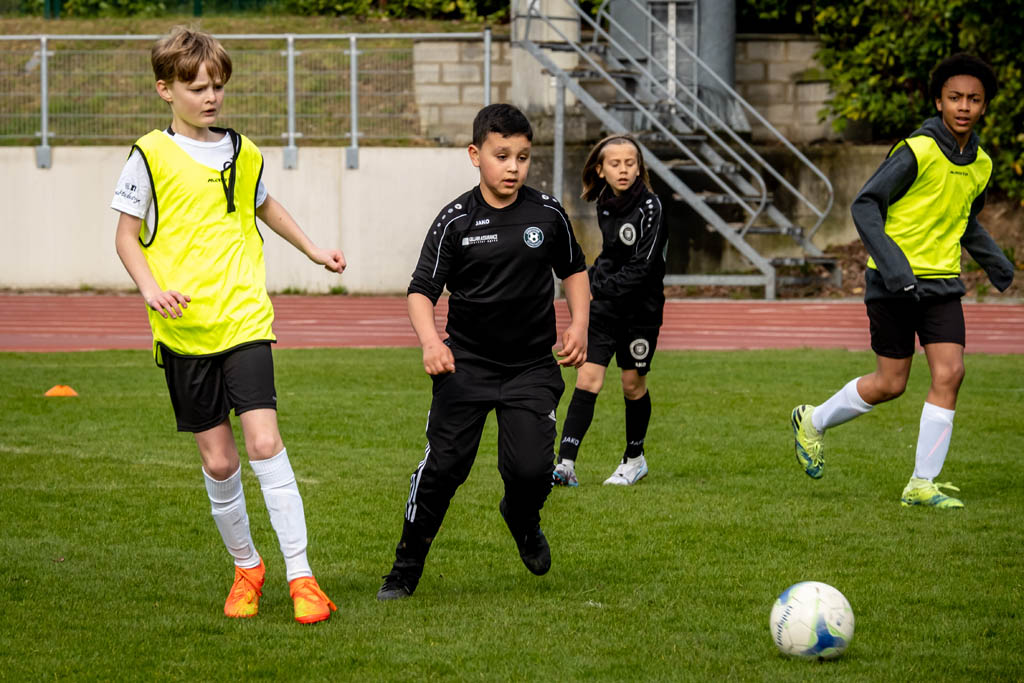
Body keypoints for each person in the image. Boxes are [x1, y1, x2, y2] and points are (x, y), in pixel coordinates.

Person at [112, 27, 344, 623]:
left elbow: (264, 204)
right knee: (219, 463)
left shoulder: (244, 151)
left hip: (244, 320)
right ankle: (247, 567)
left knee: (265, 443)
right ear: (165, 89)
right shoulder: (148, 155)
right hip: (184, 331)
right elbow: (126, 237)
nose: (210, 96)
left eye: (217, 86)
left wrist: (313, 249)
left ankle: (302, 577)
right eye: (196, 87)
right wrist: (151, 290)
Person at [376, 103, 590, 600]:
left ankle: (522, 517)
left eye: (522, 157)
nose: (513, 167)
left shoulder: (547, 213)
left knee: (531, 472)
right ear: (476, 155)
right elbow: (421, 291)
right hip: (466, 366)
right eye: (502, 156)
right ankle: (404, 570)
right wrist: (431, 342)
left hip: (531, 368)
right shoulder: (455, 220)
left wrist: (579, 323)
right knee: (443, 470)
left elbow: (574, 271)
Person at [790, 53, 1015, 508]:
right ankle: (812, 420)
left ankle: (921, 483)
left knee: (951, 373)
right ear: (938, 101)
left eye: (974, 99)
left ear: (985, 106)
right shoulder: (918, 149)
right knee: (891, 383)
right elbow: (865, 204)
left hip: (942, 284)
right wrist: (895, 268)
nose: (964, 106)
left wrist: (997, 263)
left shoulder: (981, 164)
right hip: (893, 282)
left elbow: (964, 220)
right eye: (955, 97)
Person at [553, 134, 666, 487]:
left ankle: (634, 459)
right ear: (600, 170)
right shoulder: (605, 201)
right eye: (615, 164)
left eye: (630, 163)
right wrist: (588, 279)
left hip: (640, 312)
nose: (623, 170)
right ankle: (565, 465)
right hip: (605, 309)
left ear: (639, 168)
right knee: (587, 379)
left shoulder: (651, 208)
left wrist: (594, 289)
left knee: (632, 385)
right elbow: (612, 255)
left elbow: (643, 266)